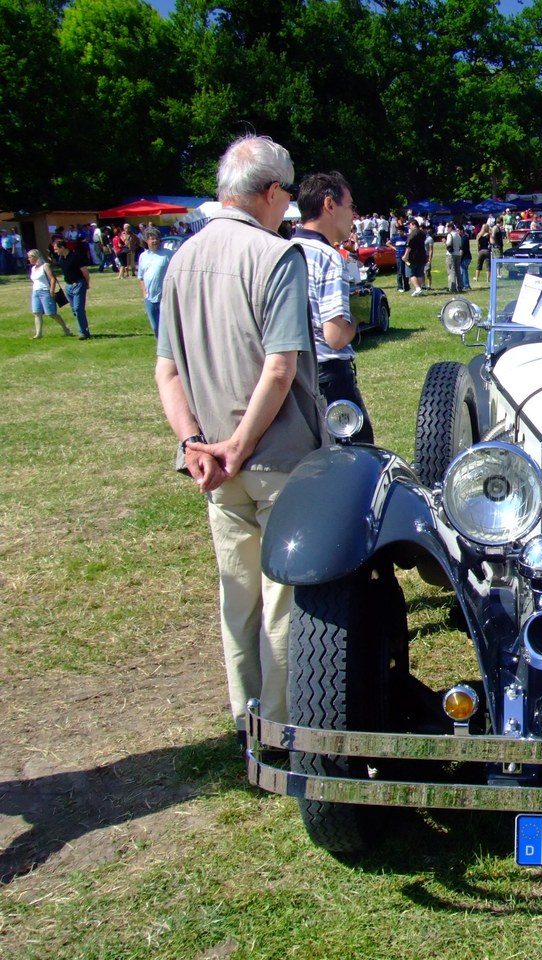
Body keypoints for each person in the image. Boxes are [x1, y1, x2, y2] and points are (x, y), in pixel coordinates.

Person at [154, 134, 323, 746]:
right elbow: (280, 369)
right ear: (273, 192)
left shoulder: (180, 259)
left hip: (215, 465)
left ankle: (243, 718)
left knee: (238, 597)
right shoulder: (277, 256)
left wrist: (197, 443)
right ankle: (277, 731)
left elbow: (166, 370)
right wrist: (236, 445)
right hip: (273, 457)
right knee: (281, 602)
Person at [294, 170, 374, 445]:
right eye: (349, 205)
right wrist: (355, 317)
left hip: (292, 374)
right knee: (357, 456)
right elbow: (336, 336)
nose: (352, 214)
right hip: (329, 377)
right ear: (329, 205)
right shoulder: (329, 257)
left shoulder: (283, 249)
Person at [51, 237, 93, 339]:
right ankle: (83, 328)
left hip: (78, 284)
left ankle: (83, 332)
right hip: (68, 286)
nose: (55, 252)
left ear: (62, 247)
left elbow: (85, 271)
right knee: (75, 310)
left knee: (78, 309)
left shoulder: (75, 256)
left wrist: (86, 284)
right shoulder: (61, 259)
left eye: (56, 249)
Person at [26, 249, 73, 338]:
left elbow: (52, 278)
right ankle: (38, 334)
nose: (28, 259)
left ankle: (65, 328)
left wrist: (52, 290)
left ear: (36, 257)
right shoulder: (33, 268)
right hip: (35, 292)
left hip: (45, 291)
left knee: (51, 313)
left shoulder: (45, 266)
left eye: (30, 257)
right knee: (37, 313)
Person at [137, 227, 174, 336]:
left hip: (165, 296)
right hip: (149, 298)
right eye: (152, 239)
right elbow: (141, 277)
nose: (155, 241)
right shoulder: (143, 256)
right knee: (155, 326)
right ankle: (161, 348)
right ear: (146, 241)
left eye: (157, 238)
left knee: (168, 326)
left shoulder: (168, 254)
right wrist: (145, 294)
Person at [405, 219, 429, 295]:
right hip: (422, 256)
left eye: (410, 225)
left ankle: (417, 288)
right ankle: (419, 289)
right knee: (419, 273)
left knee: (411, 273)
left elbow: (409, 246)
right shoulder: (423, 233)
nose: (409, 227)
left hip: (413, 257)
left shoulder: (413, 233)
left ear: (413, 224)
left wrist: (405, 255)